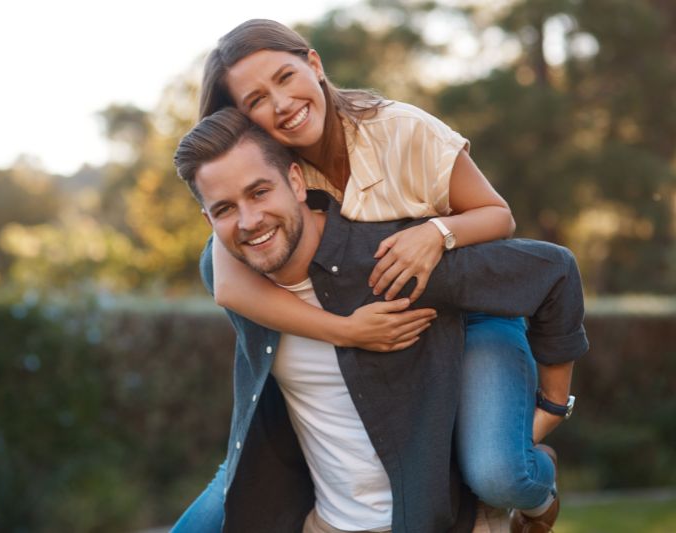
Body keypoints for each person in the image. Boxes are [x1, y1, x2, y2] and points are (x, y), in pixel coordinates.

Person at [175, 19, 576, 532]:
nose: (280, 103)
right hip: (378, 324)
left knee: (498, 470)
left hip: (469, 305)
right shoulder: (270, 170)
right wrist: (348, 331)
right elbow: (227, 284)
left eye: (285, 77)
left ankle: (538, 483)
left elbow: (499, 217)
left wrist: (436, 234)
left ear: (314, 65)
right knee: (210, 512)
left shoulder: (399, 129)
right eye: (256, 100)